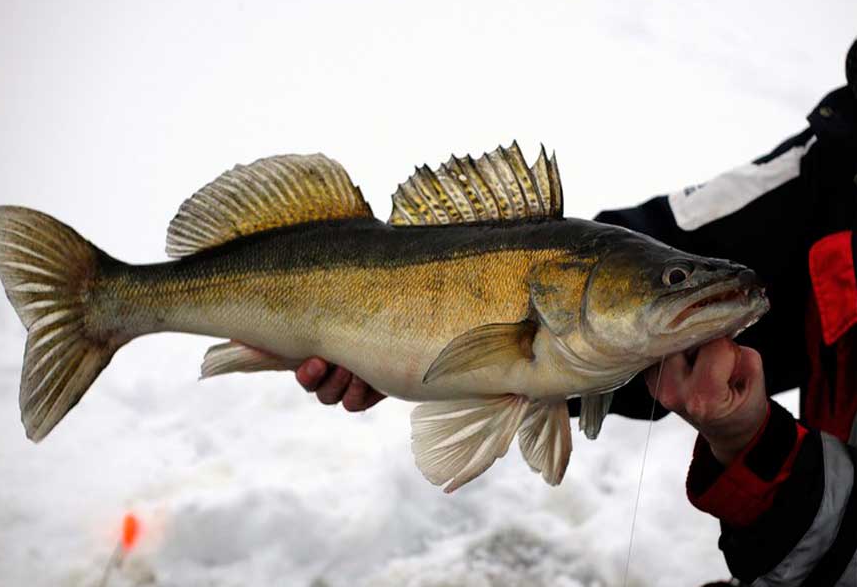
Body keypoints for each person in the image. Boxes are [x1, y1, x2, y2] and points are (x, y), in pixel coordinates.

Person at [292, 40, 857, 585]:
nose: (696, 288)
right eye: (677, 280)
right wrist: (403, 341)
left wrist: (754, 440)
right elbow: (658, 242)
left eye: (677, 280)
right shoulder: (828, 170)